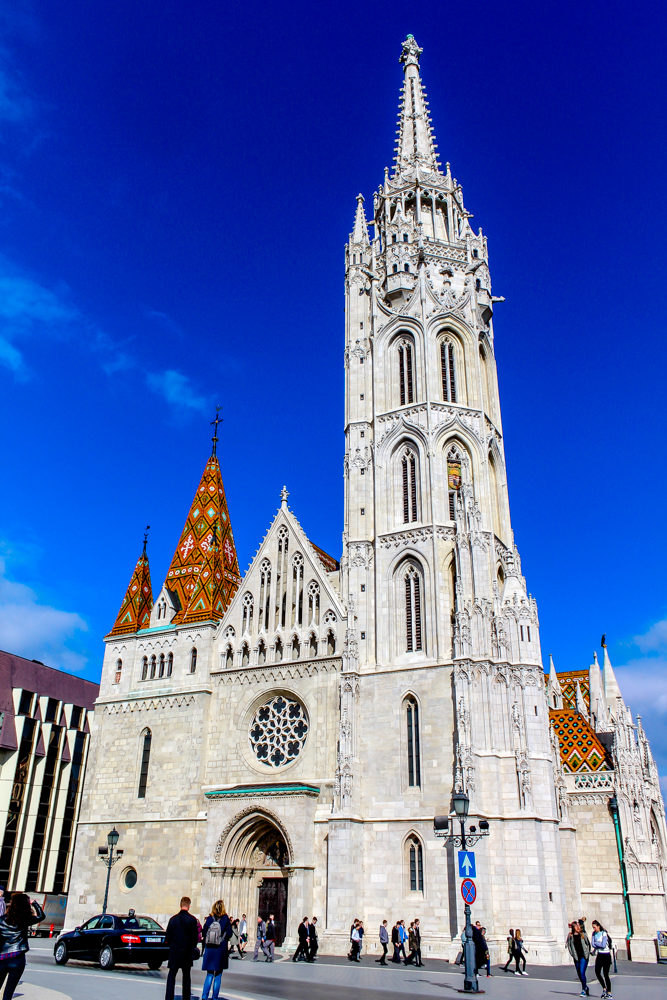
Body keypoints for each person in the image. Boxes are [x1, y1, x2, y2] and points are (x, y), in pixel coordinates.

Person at [0, 892, 45, 1000]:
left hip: (2, 958)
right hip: (17, 958)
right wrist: (34, 903)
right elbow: (41, 916)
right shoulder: (25, 920)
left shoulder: (1, 920)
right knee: (8, 992)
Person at [165, 896, 199, 1000]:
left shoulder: (173, 919)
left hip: (175, 951)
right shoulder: (192, 920)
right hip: (186, 952)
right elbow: (195, 938)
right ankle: (186, 997)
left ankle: (169, 997)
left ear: (180, 905)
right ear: (189, 906)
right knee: (186, 976)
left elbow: (168, 937)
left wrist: (172, 945)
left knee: (171, 975)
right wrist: (191, 947)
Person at [201, 899, 233, 1000]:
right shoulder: (225, 919)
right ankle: (215, 997)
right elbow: (229, 933)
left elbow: (204, 931)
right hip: (220, 949)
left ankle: (204, 997)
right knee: (218, 975)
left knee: (209, 974)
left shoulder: (210, 919)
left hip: (210, 949)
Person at [567, 921, 590, 996]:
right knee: (579, 974)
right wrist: (572, 954)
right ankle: (585, 987)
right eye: (577, 927)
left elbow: (588, 944)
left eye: (579, 927)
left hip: (583, 956)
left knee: (582, 972)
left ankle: (583, 990)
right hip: (576, 957)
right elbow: (569, 945)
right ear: (573, 928)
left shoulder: (583, 934)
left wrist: (587, 953)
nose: (578, 928)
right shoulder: (570, 936)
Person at [591, 920, 612, 999]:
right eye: (593, 928)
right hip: (599, 955)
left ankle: (609, 992)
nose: (594, 929)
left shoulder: (604, 933)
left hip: (606, 955)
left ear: (598, 926)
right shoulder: (594, 934)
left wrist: (597, 944)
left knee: (606, 974)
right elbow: (593, 944)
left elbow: (603, 945)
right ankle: (604, 988)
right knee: (597, 972)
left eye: (595, 927)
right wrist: (597, 944)